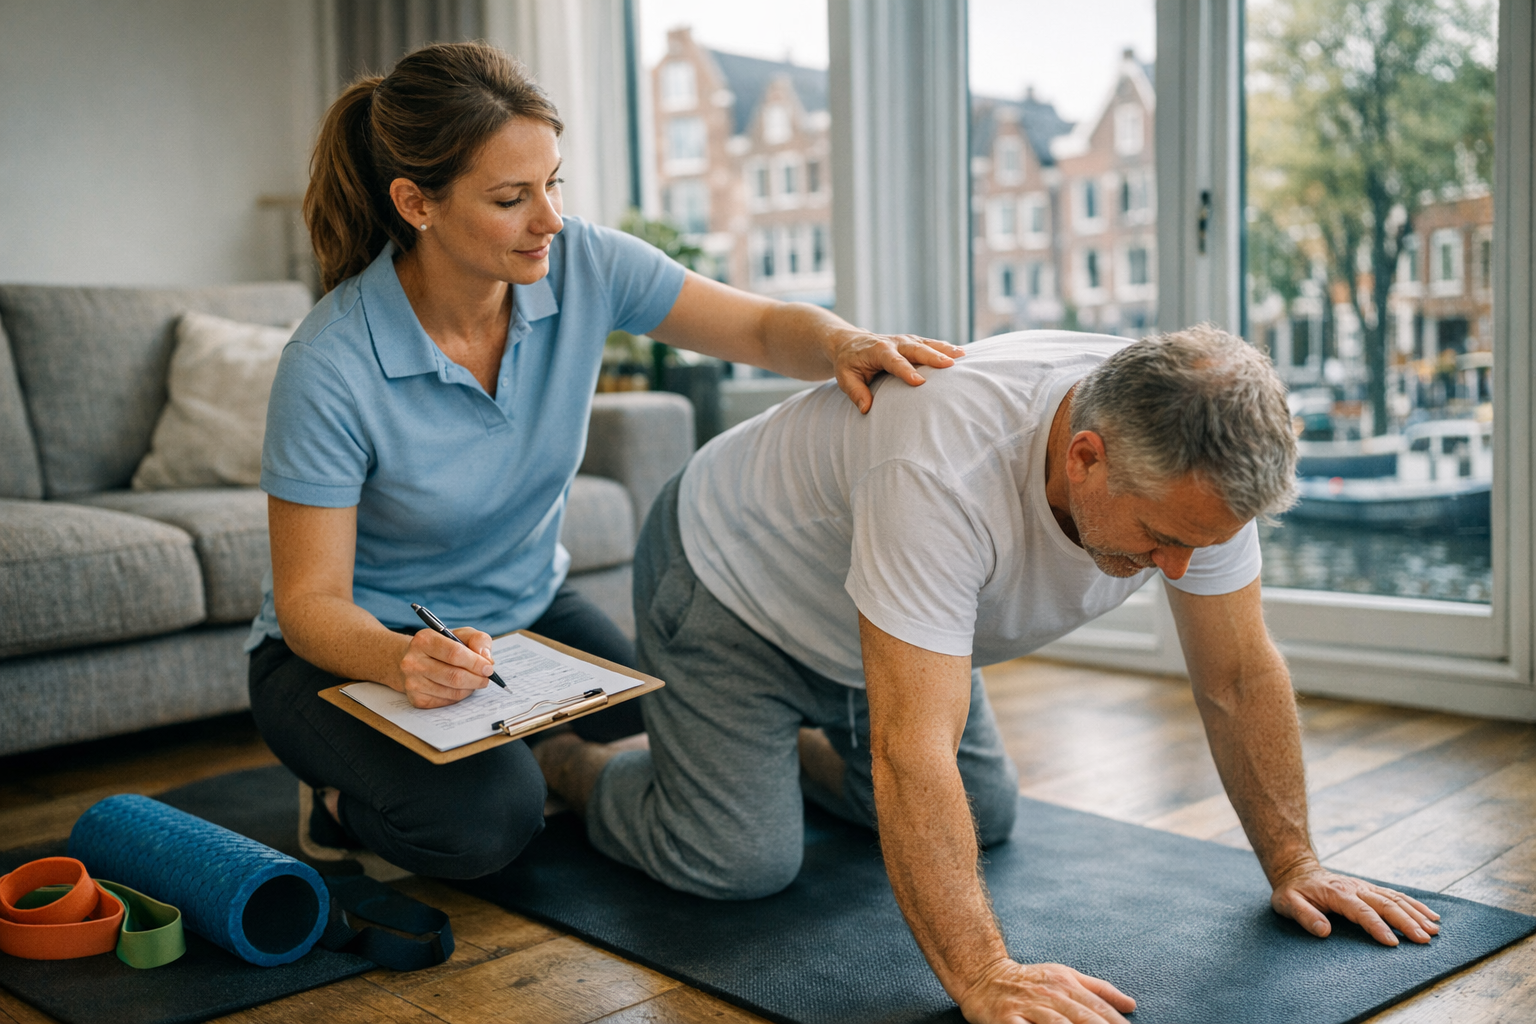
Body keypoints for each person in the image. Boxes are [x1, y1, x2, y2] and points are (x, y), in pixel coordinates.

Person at [535, 326, 1444, 1024]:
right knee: (738, 862)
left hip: (878, 622)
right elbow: (909, 748)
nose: (1178, 569)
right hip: (729, 585)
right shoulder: (945, 463)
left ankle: (772, 752)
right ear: (1085, 454)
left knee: (988, 816)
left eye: (1194, 545)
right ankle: (572, 765)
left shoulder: (1197, 462)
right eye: (1162, 541)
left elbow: (1239, 676)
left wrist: (1296, 861)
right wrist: (983, 976)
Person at [244, 41, 961, 881]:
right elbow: (310, 604)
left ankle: (531, 748)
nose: (549, 218)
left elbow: (760, 328)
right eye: (512, 198)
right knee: (490, 824)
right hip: (350, 651)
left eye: (554, 183)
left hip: (524, 615)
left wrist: (846, 340)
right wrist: (402, 660)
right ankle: (336, 806)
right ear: (416, 203)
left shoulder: (579, 263)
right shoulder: (331, 362)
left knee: (685, 747)